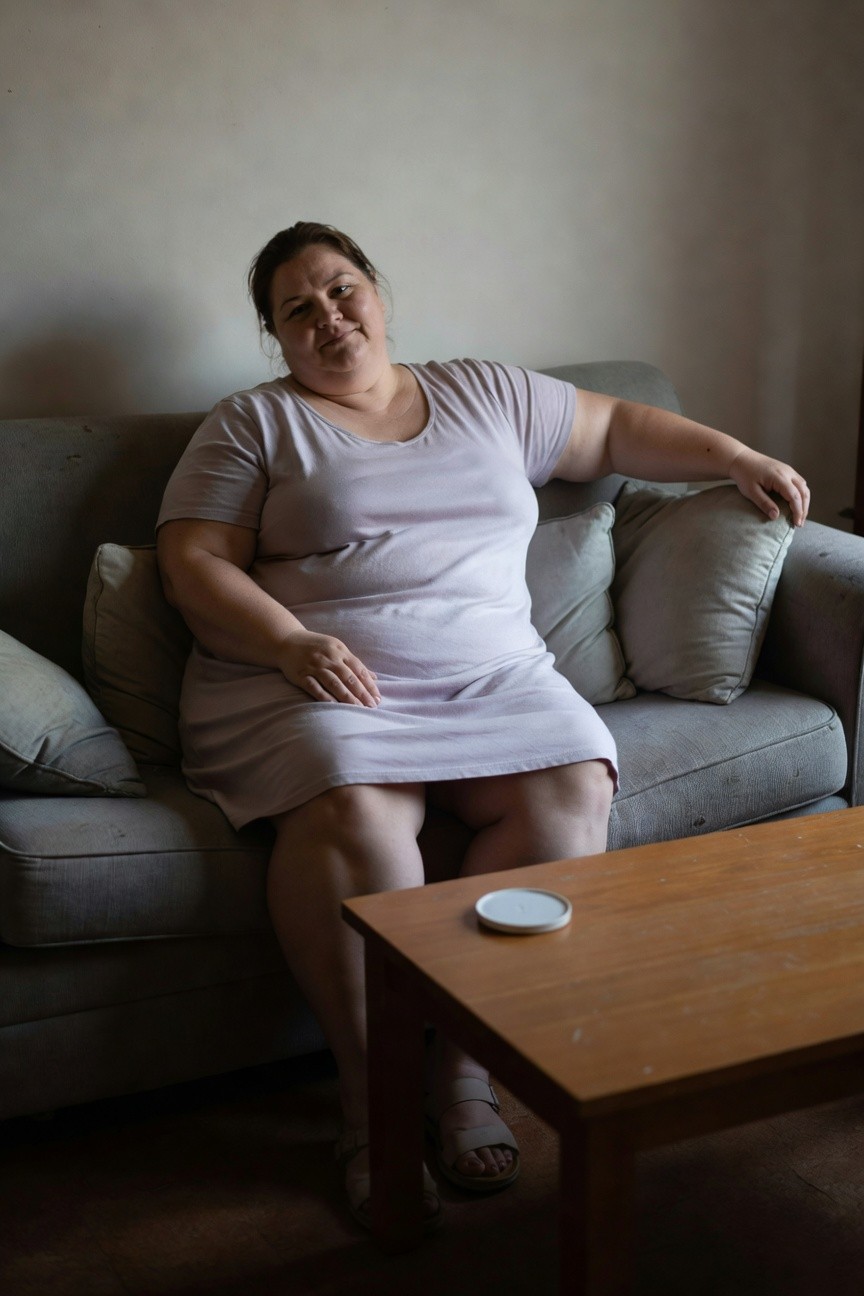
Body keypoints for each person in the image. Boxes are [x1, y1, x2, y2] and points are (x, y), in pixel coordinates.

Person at [155, 222, 810, 1230]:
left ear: (377, 292)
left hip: (492, 673)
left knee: (574, 782)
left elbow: (619, 429)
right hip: (318, 678)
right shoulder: (253, 425)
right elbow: (193, 561)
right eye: (299, 309)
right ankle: (372, 1101)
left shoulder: (488, 393)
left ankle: (464, 1071)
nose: (330, 319)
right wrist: (288, 644)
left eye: (341, 290)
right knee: (352, 807)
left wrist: (732, 454)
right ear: (276, 339)